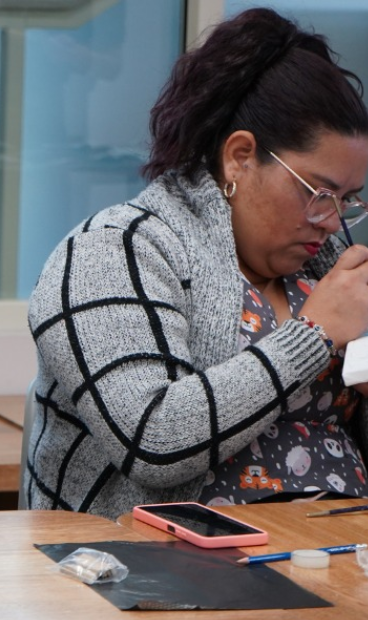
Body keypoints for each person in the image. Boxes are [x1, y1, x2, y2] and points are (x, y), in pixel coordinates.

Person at [25, 8, 368, 519]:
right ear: (240, 156)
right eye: (319, 193)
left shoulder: (331, 266)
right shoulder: (116, 250)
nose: (330, 219)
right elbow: (152, 441)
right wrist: (314, 334)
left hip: (340, 555)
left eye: (349, 200)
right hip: (162, 569)